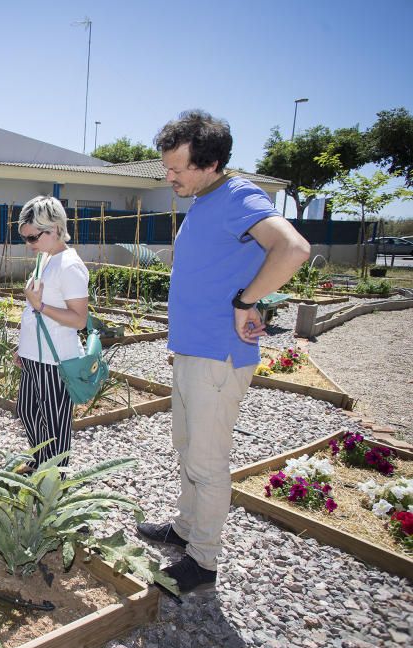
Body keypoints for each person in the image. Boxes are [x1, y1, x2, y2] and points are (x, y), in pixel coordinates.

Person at [136, 110, 310, 595]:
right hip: (195, 351)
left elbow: (293, 249)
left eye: (177, 169)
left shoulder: (239, 197)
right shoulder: (205, 198)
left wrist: (246, 300)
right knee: (188, 448)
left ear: (210, 163)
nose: (168, 177)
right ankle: (186, 528)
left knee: (207, 461)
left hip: (219, 355)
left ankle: (203, 561)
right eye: (166, 167)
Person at [14, 195, 90, 470]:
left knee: (55, 423)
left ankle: (54, 479)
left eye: (33, 238)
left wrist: (41, 305)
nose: (29, 244)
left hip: (55, 360)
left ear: (55, 228)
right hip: (35, 355)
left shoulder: (70, 265)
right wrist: (22, 348)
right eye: (25, 238)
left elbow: (79, 319)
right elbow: (32, 312)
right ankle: (39, 462)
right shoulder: (46, 258)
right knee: (27, 411)